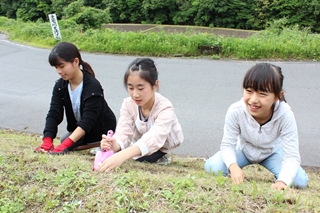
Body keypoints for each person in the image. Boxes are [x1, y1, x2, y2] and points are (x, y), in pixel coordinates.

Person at [204, 63, 308, 190]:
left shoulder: (285, 115)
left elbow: (291, 156)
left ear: (277, 96)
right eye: (249, 91)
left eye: (262, 94)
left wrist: (282, 181)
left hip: (272, 152)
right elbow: (227, 145)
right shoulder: (235, 110)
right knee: (214, 168)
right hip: (243, 150)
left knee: (299, 181)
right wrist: (233, 166)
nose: (253, 100)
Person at [97, 58, 184, 172]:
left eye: (141, 88)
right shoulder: (128, 104)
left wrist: (122, 155)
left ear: (155, 85)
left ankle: (163, 156)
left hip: (163, 146)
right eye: (131, 88)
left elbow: (155, 137)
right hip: (142, 141)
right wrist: (114, 145)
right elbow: (124, 132)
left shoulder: (165, 108)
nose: (135, 94)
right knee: (133, 154)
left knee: (138, 159)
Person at [34, 41, 116, 154]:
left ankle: (105, 143)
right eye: (56, 67)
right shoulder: (60, 86)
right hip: (84, 132)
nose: (59, 71)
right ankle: (90, 145)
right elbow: (54, 113)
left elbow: (88, 120)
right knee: (64, 140)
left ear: (76, 61)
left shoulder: (93, 86)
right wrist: (47, 140)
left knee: (66, 143)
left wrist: (67, 144)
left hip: (102, 131)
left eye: (62, 66)